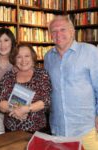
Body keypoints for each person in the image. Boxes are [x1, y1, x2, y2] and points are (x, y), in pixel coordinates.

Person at [44, 15, 98, 150]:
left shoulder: (90, 52)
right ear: (50, 35)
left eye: (63, 29)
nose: (58, 34)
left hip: (86, 128)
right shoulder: (48, 57)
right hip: (58, 129)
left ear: (72, 31)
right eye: (54, 31)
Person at [0, 43, 51, 133]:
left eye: (27, 56)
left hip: (36, 130)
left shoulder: (42, 74)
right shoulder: (9, 76)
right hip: (11, 130)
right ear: (14, 59)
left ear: (32, 57)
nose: (23, 60)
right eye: (19, 57)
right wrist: (14, 110)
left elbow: (45, 101)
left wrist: (26, 109)